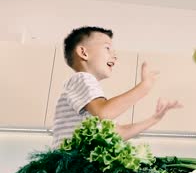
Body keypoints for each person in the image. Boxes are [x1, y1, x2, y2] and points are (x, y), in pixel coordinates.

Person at [51, 26, 182, 148]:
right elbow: (104, 112)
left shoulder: (89, 97)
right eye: (107, 48)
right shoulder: (82, 78)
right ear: (83, 52)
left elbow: (118, 133)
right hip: (71, 167)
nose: (115, 55)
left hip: (75, 166)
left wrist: (155, 118)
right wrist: (144, 87)